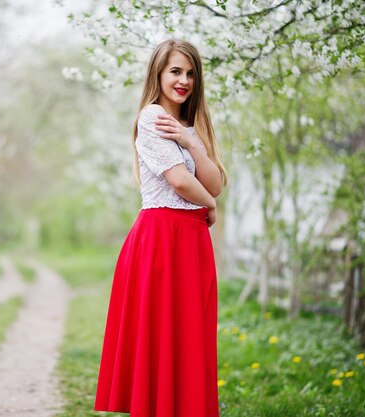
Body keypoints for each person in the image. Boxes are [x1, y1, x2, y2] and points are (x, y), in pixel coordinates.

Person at [93, 39, 227, 417]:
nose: (183, 80)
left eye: (190, 73)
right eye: (175, 71)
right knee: (162, 339)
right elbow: (183, 182)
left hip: (190, 241)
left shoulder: (186, 128)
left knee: (187, 340)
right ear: (158, 73)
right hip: (162, 239)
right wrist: (210, 204)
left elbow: (213, 182)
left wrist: (190, 141)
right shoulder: (151, 118)